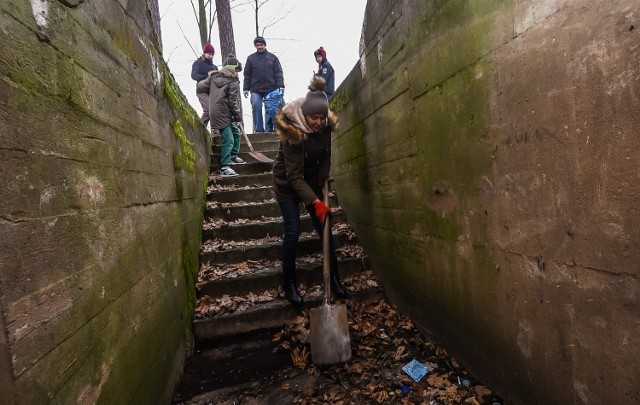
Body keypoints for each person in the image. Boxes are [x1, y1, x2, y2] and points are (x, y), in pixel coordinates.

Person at [271, 76, 347, 306]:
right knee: (293, 230)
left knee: (325, 228)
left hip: (312, 181)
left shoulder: (325, 127)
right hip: (287, 183)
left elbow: (326, 156)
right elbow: (294, 178)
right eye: (314, 117)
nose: (318, 122)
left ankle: (334, 278)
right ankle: (289, 283)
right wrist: (316, 203)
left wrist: (323, 177)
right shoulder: (292, 132)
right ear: (304, 116)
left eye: (322, 118)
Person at [197, 54, 246, 177]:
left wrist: (210, 99)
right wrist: (238, 116)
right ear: (231, 68)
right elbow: (233, 101)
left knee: (235, 132)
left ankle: (233, 155)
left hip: (216, 112)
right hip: (224, 113)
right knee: (228, 139)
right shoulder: (233, 81)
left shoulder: (213, 77)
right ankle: (225, 167)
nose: (237, 73)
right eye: (236, 70)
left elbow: (200, 86)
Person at [243, 36, 285, 133]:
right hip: (256, 89)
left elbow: (278, 73)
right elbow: (247, 75)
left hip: (271, 88)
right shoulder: (251, 59)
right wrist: (246, 88)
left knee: (269, 109)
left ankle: (268, 130)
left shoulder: (273, 58)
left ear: (265, 45)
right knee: (256, 106)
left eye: (261, 45)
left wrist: (281, 86)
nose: (259, 47)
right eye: (257, 45)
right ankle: (259, 130)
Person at [191, 42, 218, 126]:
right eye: (209, 54)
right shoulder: (197, 63)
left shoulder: (214, 67)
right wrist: (207, 76)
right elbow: (194, 75)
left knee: (215, 111)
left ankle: (215, 133)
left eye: (212, 54)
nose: (210, 56)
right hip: (202, 90)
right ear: (204, 53)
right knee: (208, 110)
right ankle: (199, 128)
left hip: (212, 91)